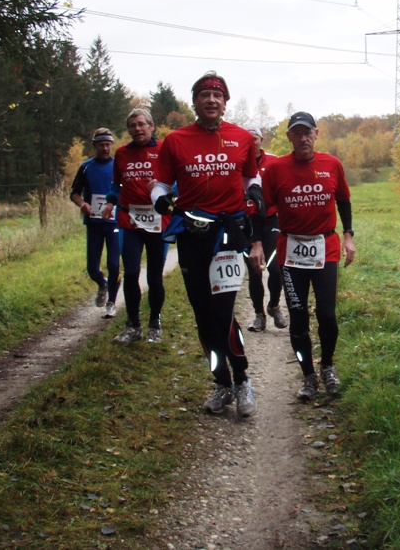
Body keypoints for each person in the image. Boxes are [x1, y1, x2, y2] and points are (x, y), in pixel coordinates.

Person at [150, 71, 263, 418]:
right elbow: (160, 185)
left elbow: (250, 176)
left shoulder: (242, 138)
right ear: (195, 101)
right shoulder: (175, 140)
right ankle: (221, 382)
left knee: (223, 312)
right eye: (204, 95)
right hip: (192, 234)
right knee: (203, 315)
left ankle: (243, 381)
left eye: (217, 96)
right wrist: (163, 203)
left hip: (228, 233)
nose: (211, 100)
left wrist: (255, 192)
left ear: (225, 102)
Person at [260, 112, 356, 400]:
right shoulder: (276, 170)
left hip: (325, 248)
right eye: (296, 133)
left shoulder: (332, 164)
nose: (303, 138)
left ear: (316, 134)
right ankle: (308, 377)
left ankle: (327, 366)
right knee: (299, 317)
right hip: (291, 254)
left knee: (327, 315)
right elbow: (264, 209)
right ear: (289, 137)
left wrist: (348, 235)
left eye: (307, 132)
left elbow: (343, 200)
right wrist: (257, 239)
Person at [101, 109, 169, 344]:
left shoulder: (164, 149)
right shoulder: (121, 153)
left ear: (152, 126)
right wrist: (110, 201)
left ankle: (155, 322)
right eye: (132, 125)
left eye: (141, 124)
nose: (137, 129)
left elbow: (179, 181)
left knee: (154, 276)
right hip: (130, 220)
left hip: (158, 220)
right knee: (130, 273)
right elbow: (116, 183)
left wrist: (164, 187)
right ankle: (133, 325)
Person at [70, 128, 122, 318]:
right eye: (101, 145)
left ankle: (111, 303)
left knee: (114, 264)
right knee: (92, 267)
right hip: (94, 223)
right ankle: (102, 284)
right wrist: (82, 204)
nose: (105, 148)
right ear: (94, 146)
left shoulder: (118, 165)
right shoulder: (86, 167)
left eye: (108, 145)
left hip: (115, 223)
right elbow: (74, 193)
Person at [244, 125, 286, 332]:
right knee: (254, 272)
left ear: (262, 139)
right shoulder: (237, 161)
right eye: (248, 138)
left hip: (270, 220)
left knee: (275, 269)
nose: (252, 142)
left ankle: (274, 305)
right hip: (247, 222)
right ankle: (259, 315)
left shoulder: (274, 161)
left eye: (255, 138)